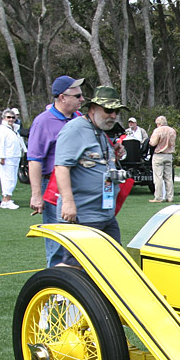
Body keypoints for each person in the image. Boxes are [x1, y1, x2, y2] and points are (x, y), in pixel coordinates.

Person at [53, 85, 128, 265]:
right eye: (109, 110)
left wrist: (114, 154)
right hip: (82, 216)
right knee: (77, 268)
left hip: (104, 215)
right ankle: (53, 292)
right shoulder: (75, 129)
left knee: (113, 264)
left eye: (116, 111)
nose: (113, 115)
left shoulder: (100, 132)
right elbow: (61, 166)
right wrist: (68, 203)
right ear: (93, 109)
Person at [28, 75, 85, 266]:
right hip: (53, 186)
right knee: (59, 243)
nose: (82, 99)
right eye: (77, 96)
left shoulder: (80, 119)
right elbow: (35, 160)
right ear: (62, 97)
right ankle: (57, 289)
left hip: (78, 184)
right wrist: (37, 195)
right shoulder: (43, 122)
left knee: (80, 241)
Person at [0, 109, 22, 209]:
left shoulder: (13, 129)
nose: (11, 119)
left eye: (13, 117)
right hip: (7, 157)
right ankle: (6, 200)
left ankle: (7, 198)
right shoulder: (1, 130)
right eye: (8, 117)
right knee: (7, 178)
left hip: (14, 156)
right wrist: (1, 157)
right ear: (4, 118)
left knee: (13, 178)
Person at [148, 115, 177, 203]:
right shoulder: (172, 131)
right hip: (169, 154)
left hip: (159, 154)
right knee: (168, 177)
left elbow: (153, 143)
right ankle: (170, 196)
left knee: (158, 177)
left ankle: (159, 197)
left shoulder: (158, 130)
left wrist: (149, 142)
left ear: (159, 123)